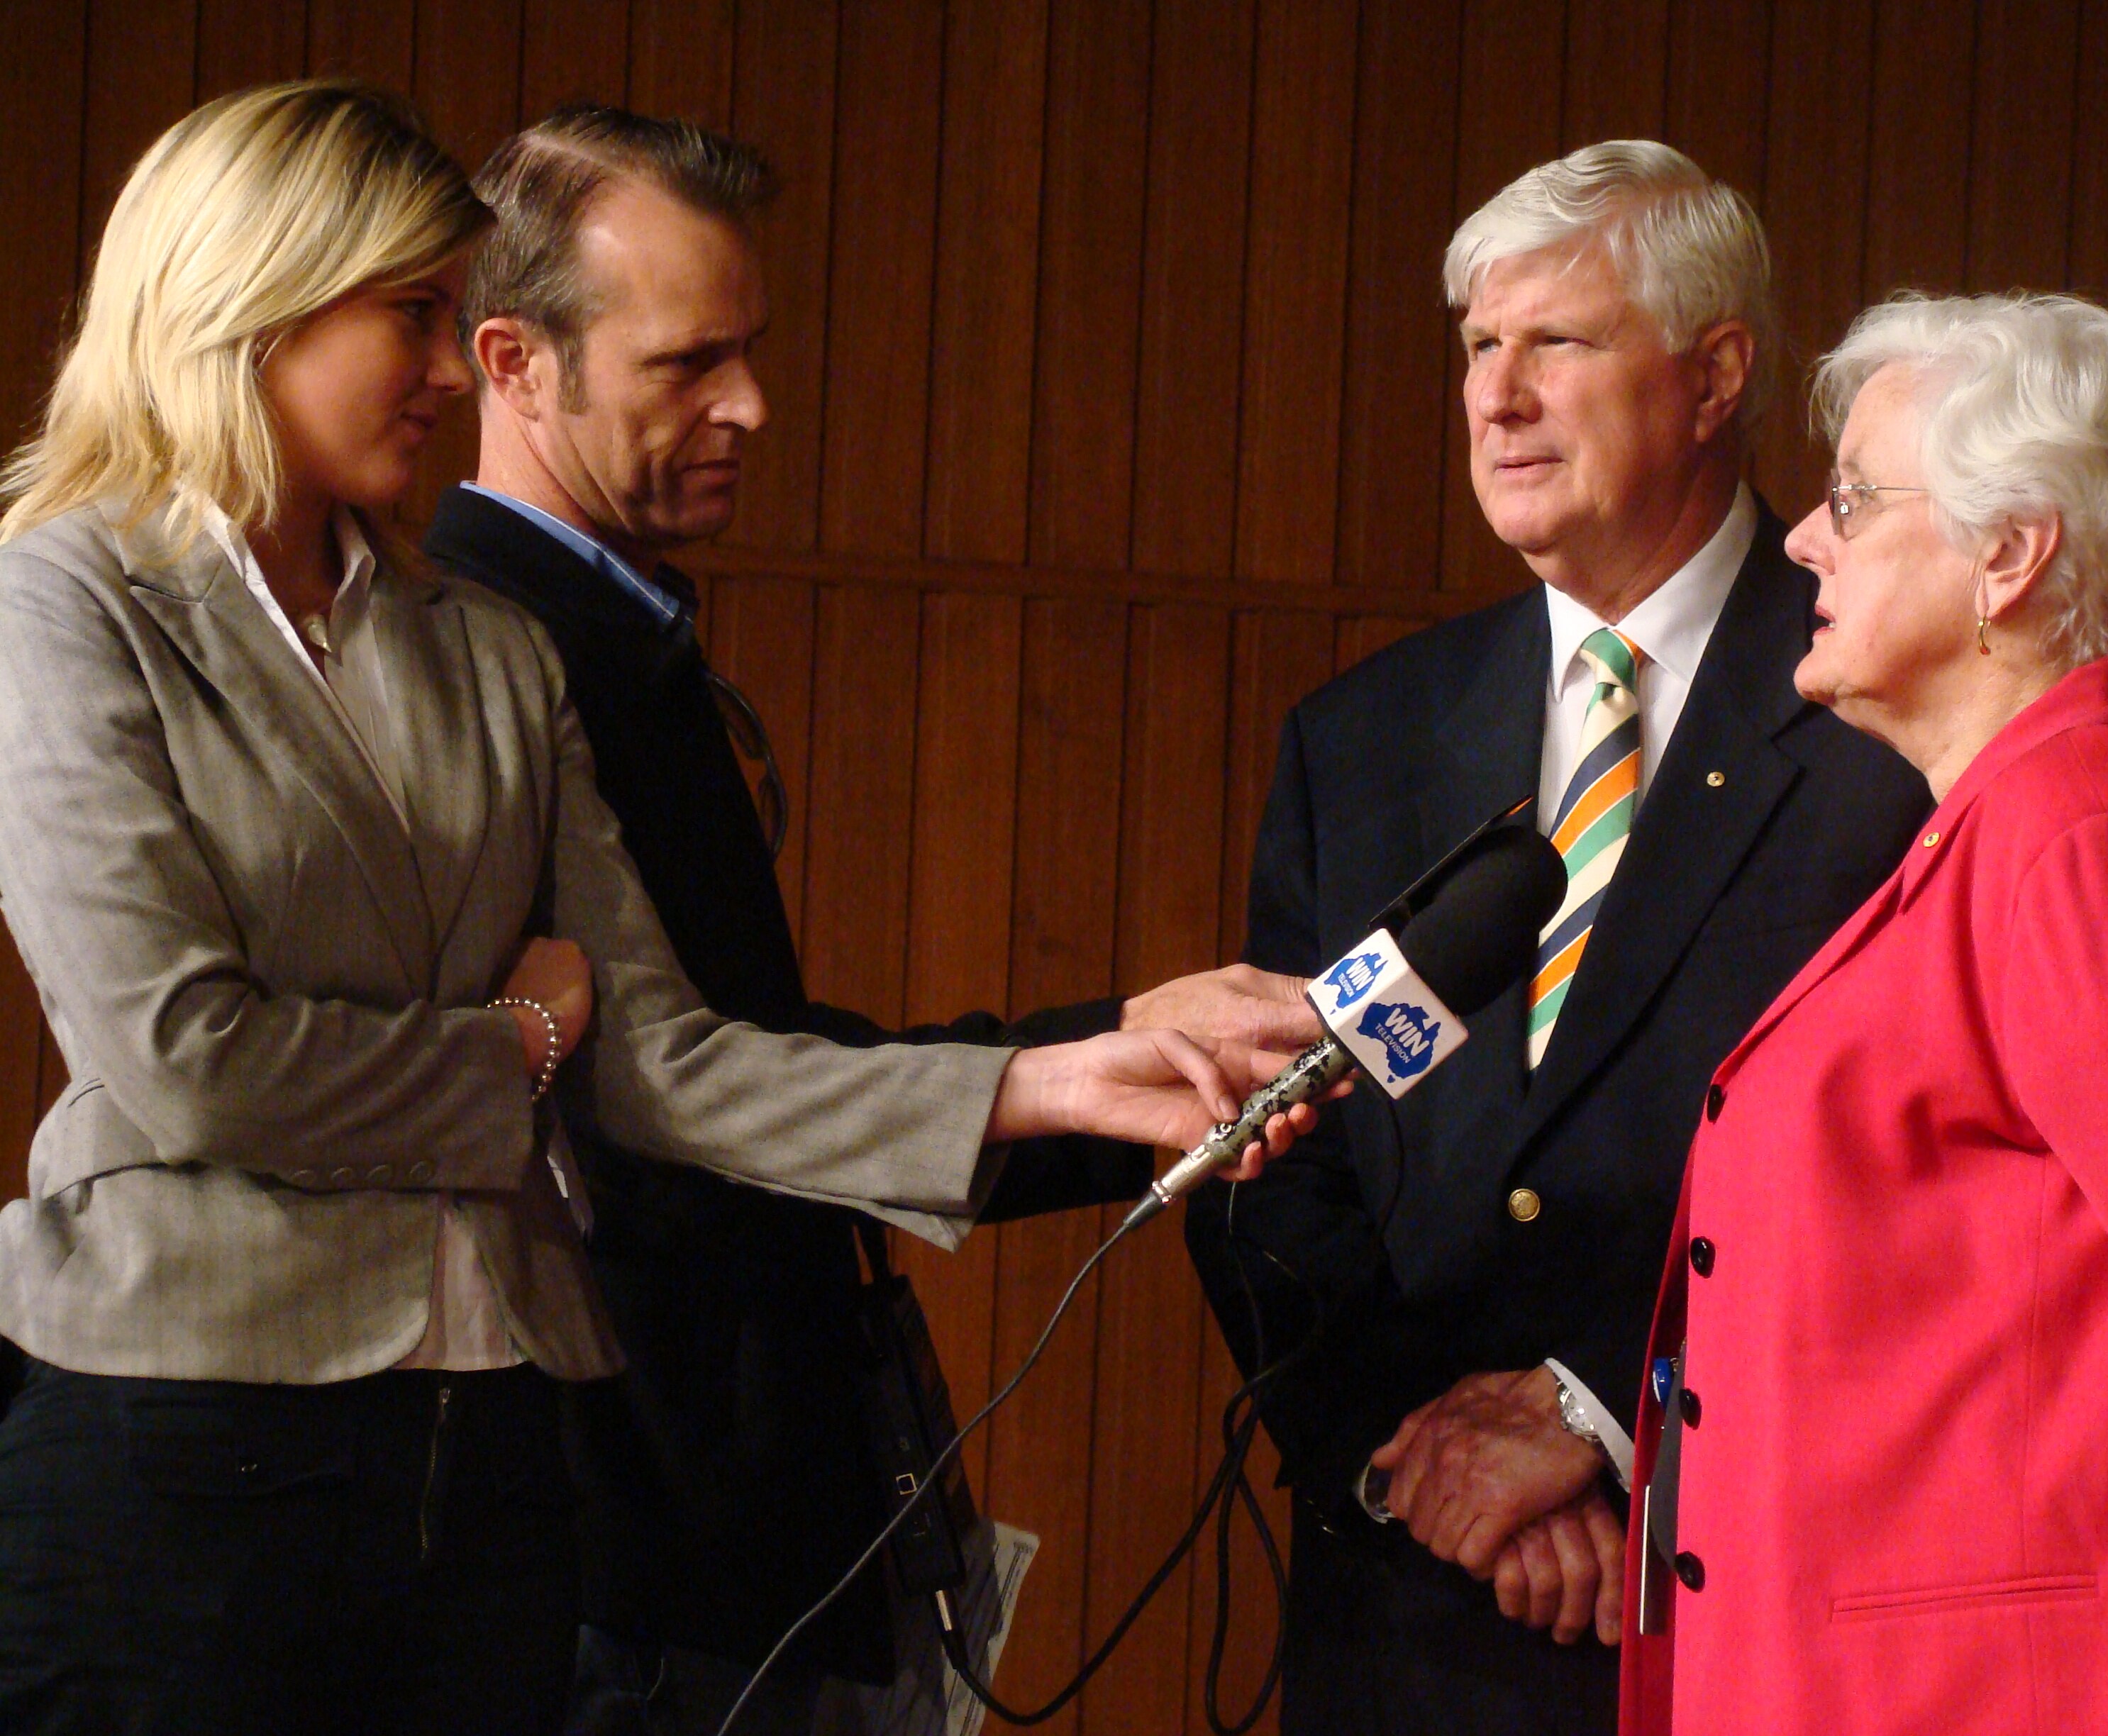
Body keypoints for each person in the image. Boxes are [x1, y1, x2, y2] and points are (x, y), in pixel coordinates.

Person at [0, 81, 1301, 1736]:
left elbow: (668, 1061)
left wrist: (1046, 1081)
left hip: (490, 1474)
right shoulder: (57, 596)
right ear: (244, 303)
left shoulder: (484, 643)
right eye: (408, 313)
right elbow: (190, 1059)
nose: (442, 361)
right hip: (173, 1454)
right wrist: (519, 1044)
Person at [417, 104, 1323, 1734]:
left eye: (749, 351)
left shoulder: (599, 625)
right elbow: (675, 1092)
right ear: (513, 359)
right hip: (632, 1533)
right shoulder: (489, 650)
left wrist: (1108, 1065)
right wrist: (1082, 1071)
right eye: (687, 364)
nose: (751, 405)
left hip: (709, 1525)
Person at [1184, 140, 1932, 1735]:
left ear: (1718, 374)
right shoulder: (1363, 737)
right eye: (1476, 347)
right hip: (1397, 1612)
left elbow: (1917, 1187)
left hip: (1719, 1617)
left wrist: (1599, 1426)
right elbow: (1269, 1154)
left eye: (1558, 344)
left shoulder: (1893, 722)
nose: (1497, 397)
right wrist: (1425, 1463)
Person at [1619, 291, 2108, 1736]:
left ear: (2011, 553)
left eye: (1857, 499)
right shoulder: (2006, 827)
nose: (1806, 536)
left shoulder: (2091, 837)